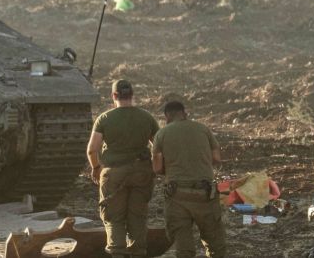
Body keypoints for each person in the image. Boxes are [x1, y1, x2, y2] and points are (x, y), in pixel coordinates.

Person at [88, 79, 159, 257]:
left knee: (113, 218)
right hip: (142, 173)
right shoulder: (146, 117)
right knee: (138, 217)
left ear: (114, 96)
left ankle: (117, 252)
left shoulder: (104, 118)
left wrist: (96, 168)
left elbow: (92, 150)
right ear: (132, 95)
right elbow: (158, 146)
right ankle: (137, 252)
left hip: (113, 174)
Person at [152, 100, 224, 258]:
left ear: (167, 117)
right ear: (184, 113)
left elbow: (157, 168)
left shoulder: (161, 134)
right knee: (215, 244)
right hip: (205, 194)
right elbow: (217, 158)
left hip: (177, 195)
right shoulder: (203, 129)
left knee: (183, 246)